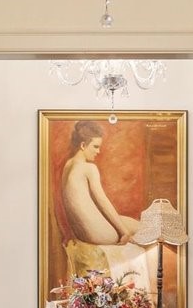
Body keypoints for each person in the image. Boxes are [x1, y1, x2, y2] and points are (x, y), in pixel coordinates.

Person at [57, 119, 152, 289]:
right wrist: (123, 233)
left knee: (130, 222)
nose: (99, 151)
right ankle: (146, 289)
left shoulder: (68, 166)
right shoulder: (88, 169)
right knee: (141, 228)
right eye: (95, 146)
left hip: (83, 233)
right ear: (83, 145)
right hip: (97, 234)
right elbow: (103, 202)